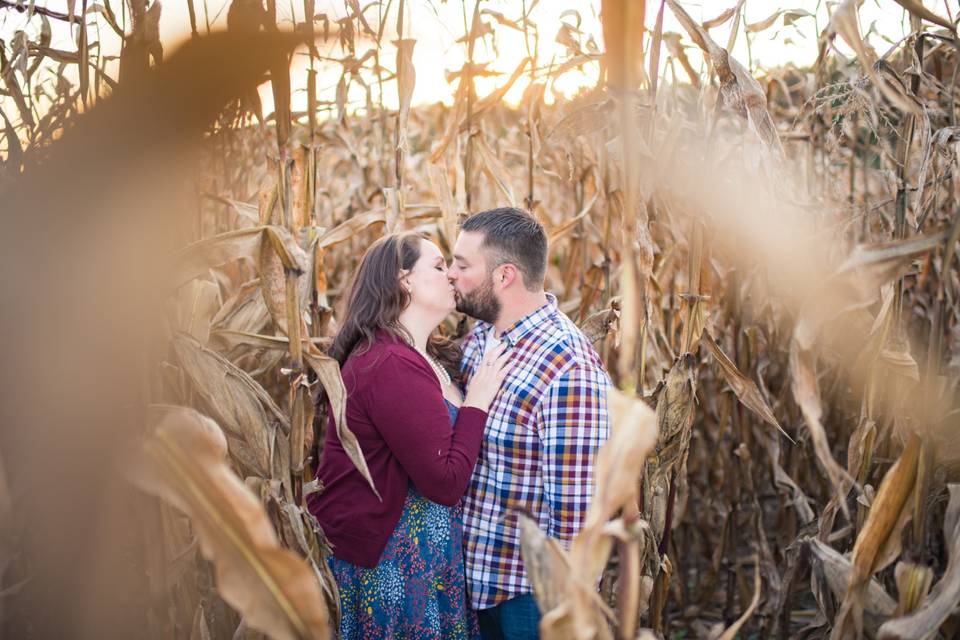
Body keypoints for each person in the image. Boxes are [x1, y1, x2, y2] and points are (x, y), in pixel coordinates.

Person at [308, 231, 511, 640]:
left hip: (427, 558)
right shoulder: (388, 365)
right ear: (405, 281)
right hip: (392, 566)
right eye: (438, 267)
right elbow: (444, 482)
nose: (452, 275)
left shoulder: (424, 356)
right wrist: (476, 405)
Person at [448, 208, 611, 640]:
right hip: (469, 587)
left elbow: (578, 522)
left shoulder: (568, 369)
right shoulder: (481, 337)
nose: (450, 274)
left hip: (526, 603)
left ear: (504, 277)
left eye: (462, 265)